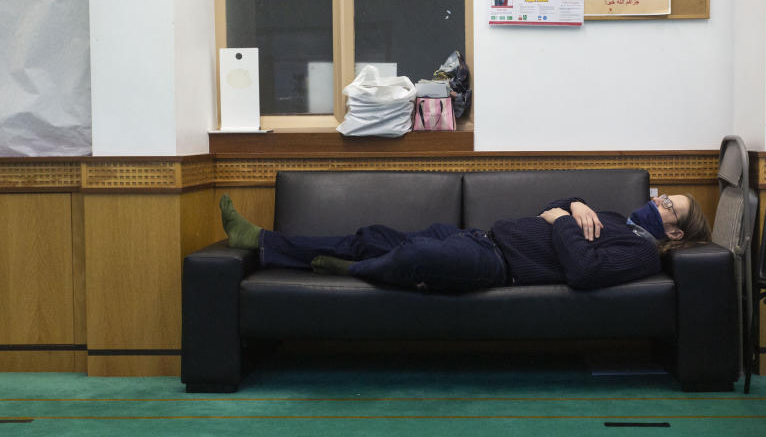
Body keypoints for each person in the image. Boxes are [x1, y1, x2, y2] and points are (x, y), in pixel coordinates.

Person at [219, 192, 711, 293]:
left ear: (673, 233)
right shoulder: (618, 220)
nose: (661, 200)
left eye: (671, 208)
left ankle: (355, 271)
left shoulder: (642, 251)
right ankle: (263, 242)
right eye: (666, 196)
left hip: (496, 265)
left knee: (414, 255)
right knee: (371, 235)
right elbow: (559, 210)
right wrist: (577, 202)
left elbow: (582, 270)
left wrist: (564, 217)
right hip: (477, 237)